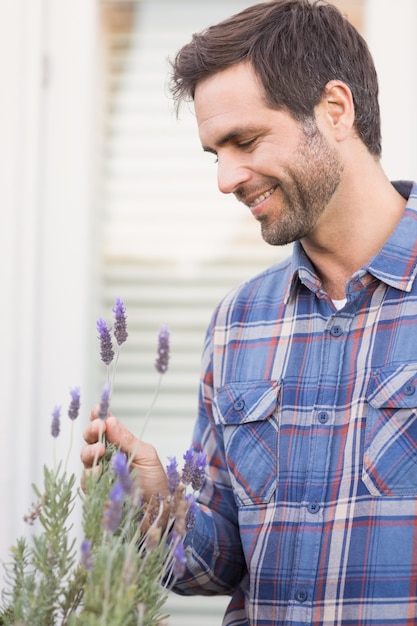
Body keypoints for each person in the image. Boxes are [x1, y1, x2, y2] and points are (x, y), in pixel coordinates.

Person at [81, 1, 417, 624]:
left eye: (246, 140)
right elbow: (220, 566)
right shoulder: (239, 323)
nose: (226, 178)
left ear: (335, 110)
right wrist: (156, 504)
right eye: (216, 153)